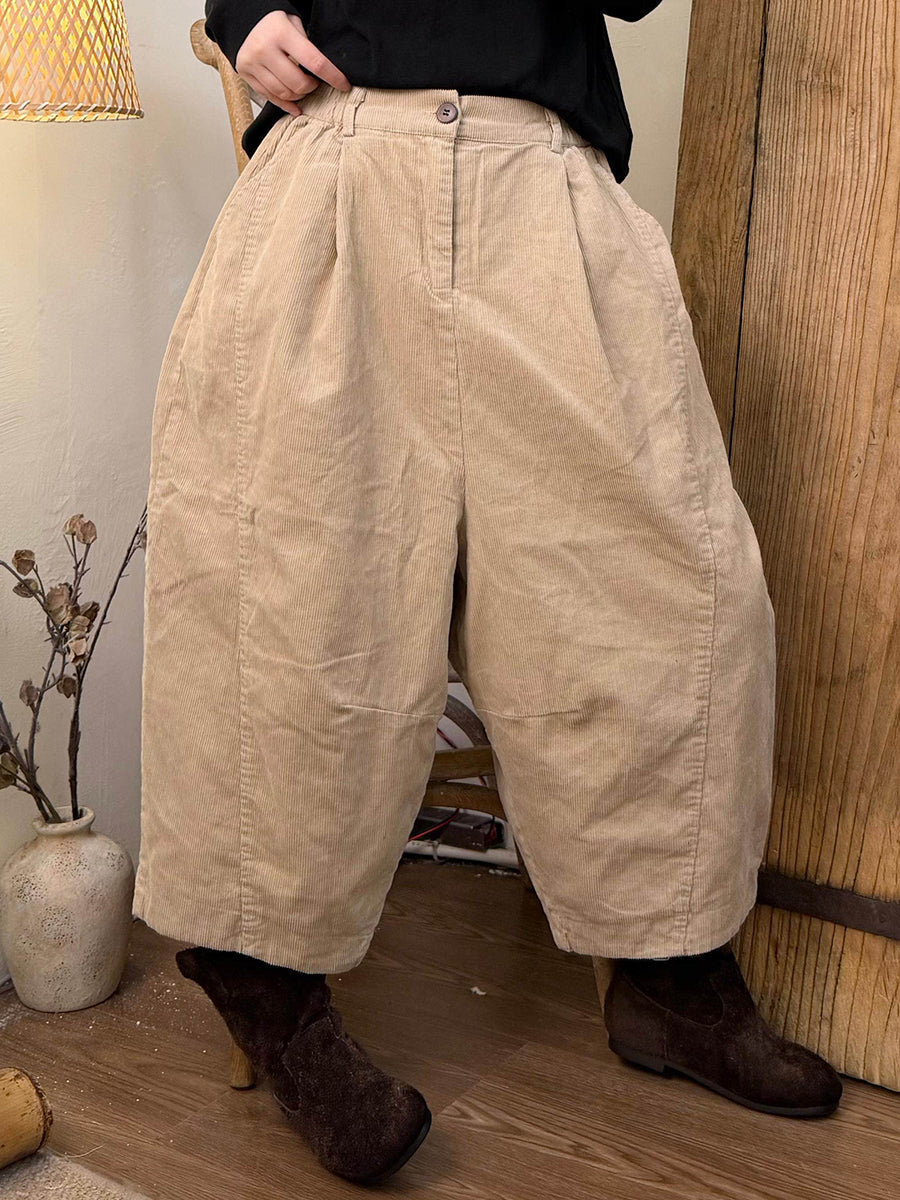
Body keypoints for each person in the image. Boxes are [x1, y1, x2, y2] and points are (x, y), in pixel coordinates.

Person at [133, 0, 843, 1184]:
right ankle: (263, 981)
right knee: (295, 596)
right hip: (340, 158)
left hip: (548, 180)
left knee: (665, 599)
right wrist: (240, 4)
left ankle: (670, 972)